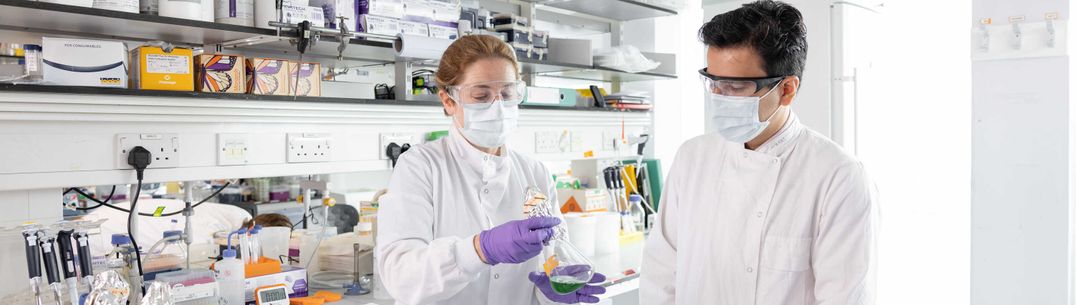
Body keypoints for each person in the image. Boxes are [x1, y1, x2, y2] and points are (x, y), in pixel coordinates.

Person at [640, 1, 878, 304]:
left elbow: (844, 297)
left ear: (787, 89)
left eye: (734, 87)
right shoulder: (692, 158)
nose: (718, 97)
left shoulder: (838, 176)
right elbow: (660, 275)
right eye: (712, 81)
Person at [376, 35, 606, 305]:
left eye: (507, 93)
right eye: (481, 95)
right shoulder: (420, 166)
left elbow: (553, 259)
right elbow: (401, 277)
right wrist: (478, 250)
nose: (498, 106)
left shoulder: (536, 172)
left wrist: (552, 293)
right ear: (449, 101)